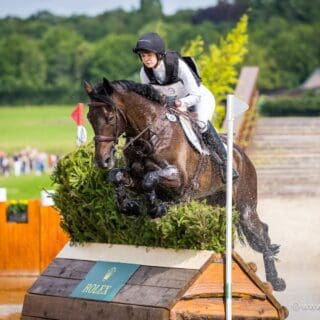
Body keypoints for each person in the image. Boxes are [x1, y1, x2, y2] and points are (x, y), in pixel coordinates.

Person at [133, 32, 238, 182]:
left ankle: (226, 164)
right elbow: (152, 98)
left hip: (198, 99)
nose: (145, 59)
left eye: (148, 55)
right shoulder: (145, 73)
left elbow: (195, 94)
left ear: (159, 54)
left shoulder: (178, 65)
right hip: (173, 105)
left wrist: (181, 103)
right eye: (142, 56)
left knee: (201, 122)